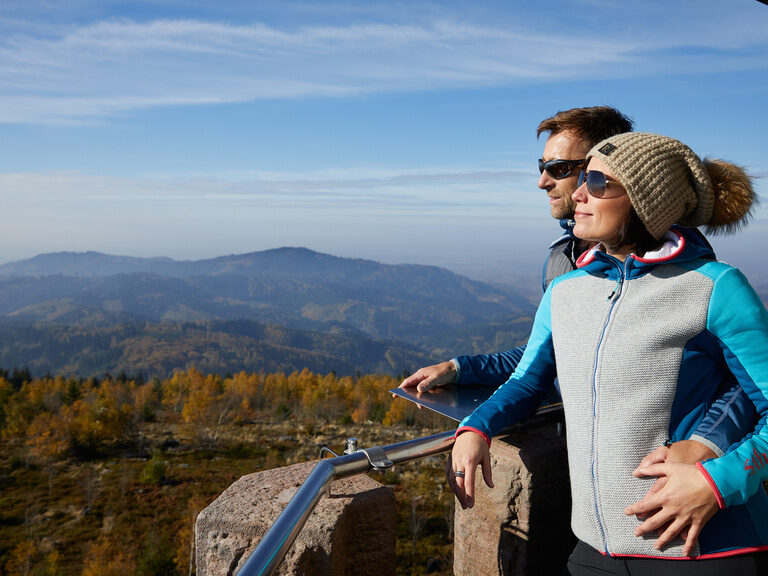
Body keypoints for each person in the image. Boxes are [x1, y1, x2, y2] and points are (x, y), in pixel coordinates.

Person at [450, 132, 768, 574]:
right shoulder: (565, 292)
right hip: (594, 551)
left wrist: (719, 482)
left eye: (597, 183)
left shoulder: (714, 287)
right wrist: (476, 428)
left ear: (645, 202)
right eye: (582, 179)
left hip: (705, 550)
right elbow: (527, 381)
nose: (577, 193)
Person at [397, 106, 755, 469]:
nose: (543, 181)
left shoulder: (696, 276)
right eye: (543, 166)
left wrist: (708, 449)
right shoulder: (563, 265)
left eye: (560, 169)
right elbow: (551, 354)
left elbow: (736, 377)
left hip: (681, 489)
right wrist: (463, 374)